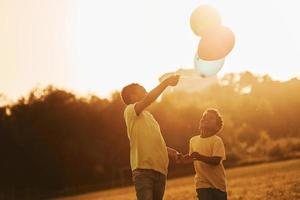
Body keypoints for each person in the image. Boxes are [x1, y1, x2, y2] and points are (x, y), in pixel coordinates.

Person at [121, 74, 181, 200]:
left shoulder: (150, 118)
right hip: (144, 171)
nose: (147, 93)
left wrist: (169, 151)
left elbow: (154, 142)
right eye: (143, 91)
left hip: (160, 171)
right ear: (133, 97)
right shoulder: (130, 111)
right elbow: (149, 99)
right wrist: (166, 83)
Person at [178, 108, 227, 200]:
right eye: (204, 116)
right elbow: (193, 157)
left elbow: (216, 160)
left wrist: (199, 157)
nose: (206, 118)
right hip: (202, 183)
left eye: (211, 118)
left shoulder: (216, 140)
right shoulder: (193, 140)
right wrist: (182, 159)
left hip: (218, 185)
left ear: (217, 127)